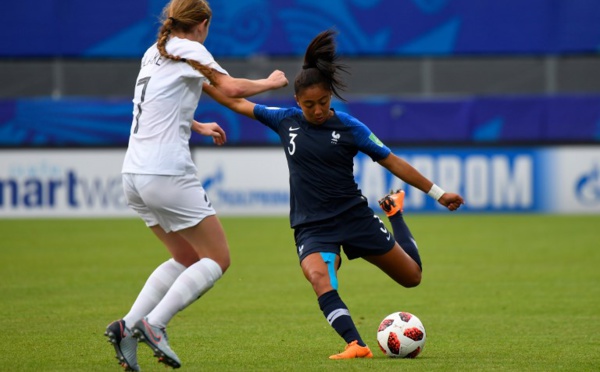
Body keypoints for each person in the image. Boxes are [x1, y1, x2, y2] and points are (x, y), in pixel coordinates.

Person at [202, 29, 464, 360]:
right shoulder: (285, 120)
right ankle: (356, 344)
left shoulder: (349, 127)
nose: (316, 110)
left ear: (330, 97)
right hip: (313, 225)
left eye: (323, 102)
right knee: (319, 276)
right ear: (297, 101)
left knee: (412, 277)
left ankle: (395, 213)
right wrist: (196, 79)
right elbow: (235, 101)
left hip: (353, 217)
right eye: (309, 104)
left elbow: (392, 160)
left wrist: (438, 193)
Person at [103, 0, 288, 370]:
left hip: (133, 176)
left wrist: (197, 125)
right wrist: (271, 82)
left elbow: (160, 105)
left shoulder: (154, 52)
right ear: (202, 23)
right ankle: (154, 324)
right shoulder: (191, 48)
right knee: (217, 258)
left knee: (185, 257)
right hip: (166, 173)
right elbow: (231, 87)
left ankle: (127, 327)